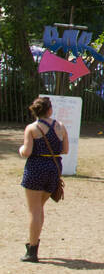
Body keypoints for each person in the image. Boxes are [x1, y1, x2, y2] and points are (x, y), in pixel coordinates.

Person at [19, 95, 68, 262]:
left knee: (34, 210)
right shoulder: (60, 126)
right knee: (40, 208)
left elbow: (26, 152)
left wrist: (20, 149)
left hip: (36, 168)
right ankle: (33, 244)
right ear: (49, 110)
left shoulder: (32, 128)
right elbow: (65, 150)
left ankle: (32, 249)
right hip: (54, 168)